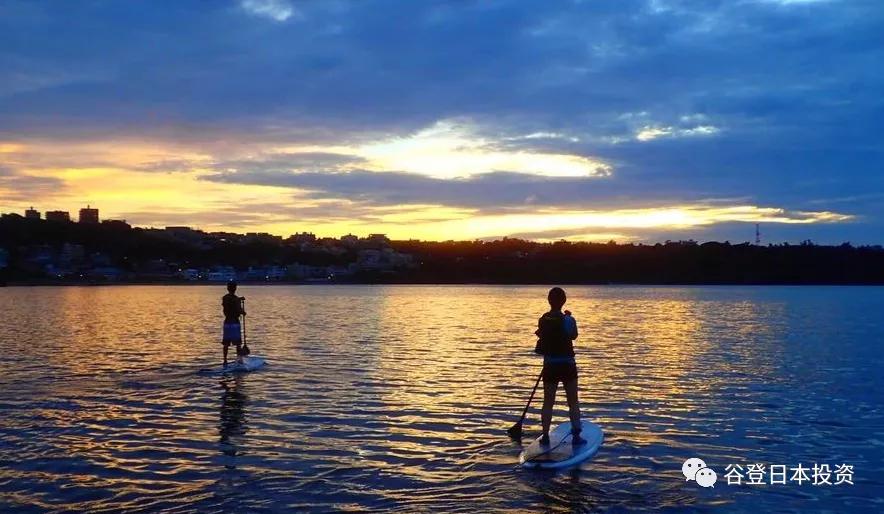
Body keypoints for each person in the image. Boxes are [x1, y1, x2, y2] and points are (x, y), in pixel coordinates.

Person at [534, 287, 585, 445]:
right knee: (573, 401)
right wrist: (569, 318)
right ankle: (576, 436)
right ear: (564, 301)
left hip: (550, 365)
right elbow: (574, 335)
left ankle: (545, 436)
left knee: (548, 401)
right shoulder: (568, 320)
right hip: (567, 365)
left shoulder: (543, 319)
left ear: (549, 301)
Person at [221, 280, 245, 367]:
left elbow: (230, 303)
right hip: (234, 322)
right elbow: (238, 309)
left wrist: (239, 299)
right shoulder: (235, 299)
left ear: (228, 288)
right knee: (238, 343)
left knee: (226, 344)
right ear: (235, 288)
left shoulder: (225, 298)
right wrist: (243, 312)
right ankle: (239, 361)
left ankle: (225, 360)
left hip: (227, 323)